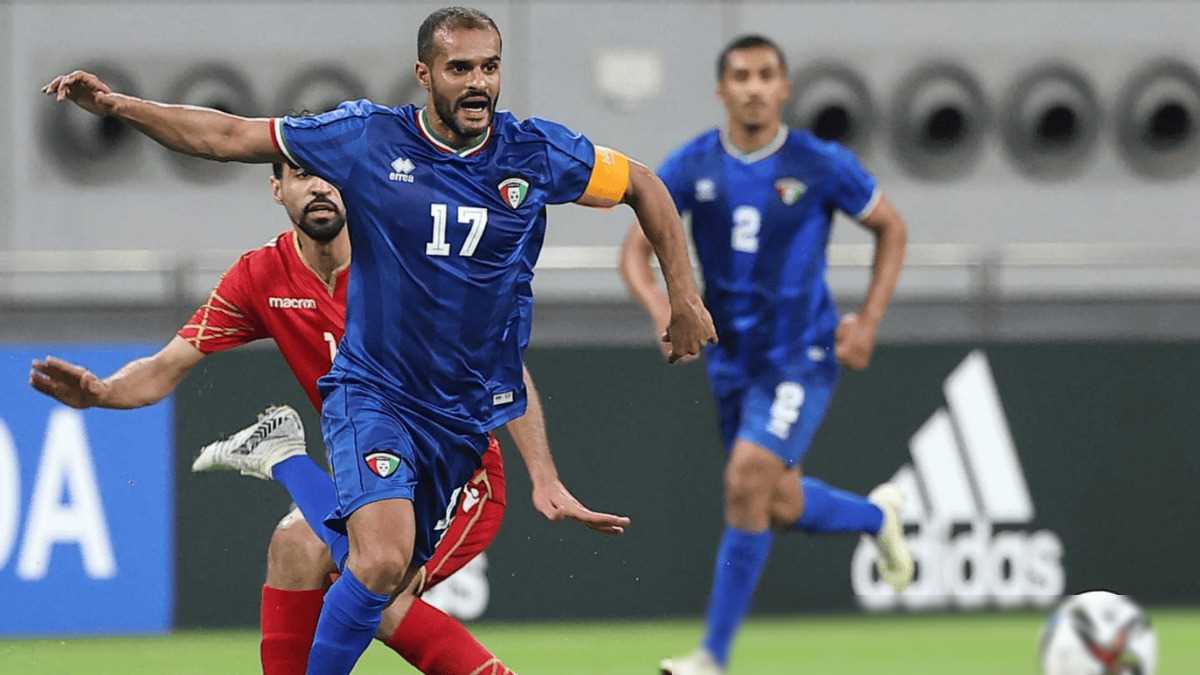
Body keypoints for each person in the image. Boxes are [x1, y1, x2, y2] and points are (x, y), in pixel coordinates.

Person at [42, 6, 716, 673]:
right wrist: (119, 107)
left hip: (461, 429)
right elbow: (226, 134)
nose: (478, 83)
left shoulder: (535, 153)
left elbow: (643, 185)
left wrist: (683, 295)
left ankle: (289, 463)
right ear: (425, 75)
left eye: (490, 67)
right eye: (460, 69)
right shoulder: (367, 138)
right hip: (375, 395)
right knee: (374, 563)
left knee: (373, 578)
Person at [29, 156, 626, 675]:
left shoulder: (409, 262)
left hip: (457, 473)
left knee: (374, 594)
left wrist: (543, 475)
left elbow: (501, 364)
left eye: (332, 175)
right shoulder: (260, 276)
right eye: (301, 174)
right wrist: (103, 392)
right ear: (277, 189)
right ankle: (286, 459)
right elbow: (165, 366)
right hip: (371, 471)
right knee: (294, 545)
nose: (319, 187)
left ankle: (287, 461)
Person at [619, 35, 914, 675]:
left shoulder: (818, 162)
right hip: (731, 362)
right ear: (721, 90)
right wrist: (663, 308)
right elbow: (634, 251)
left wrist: (868, 321)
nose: (753, 87)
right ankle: (877, 516)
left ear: (783, 88)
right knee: (774, 504)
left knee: (746, 479)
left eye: (765, 75)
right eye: (741, 76)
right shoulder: (694, 165)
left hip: (800, 355)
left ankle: (712, 656)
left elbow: (890, 227)